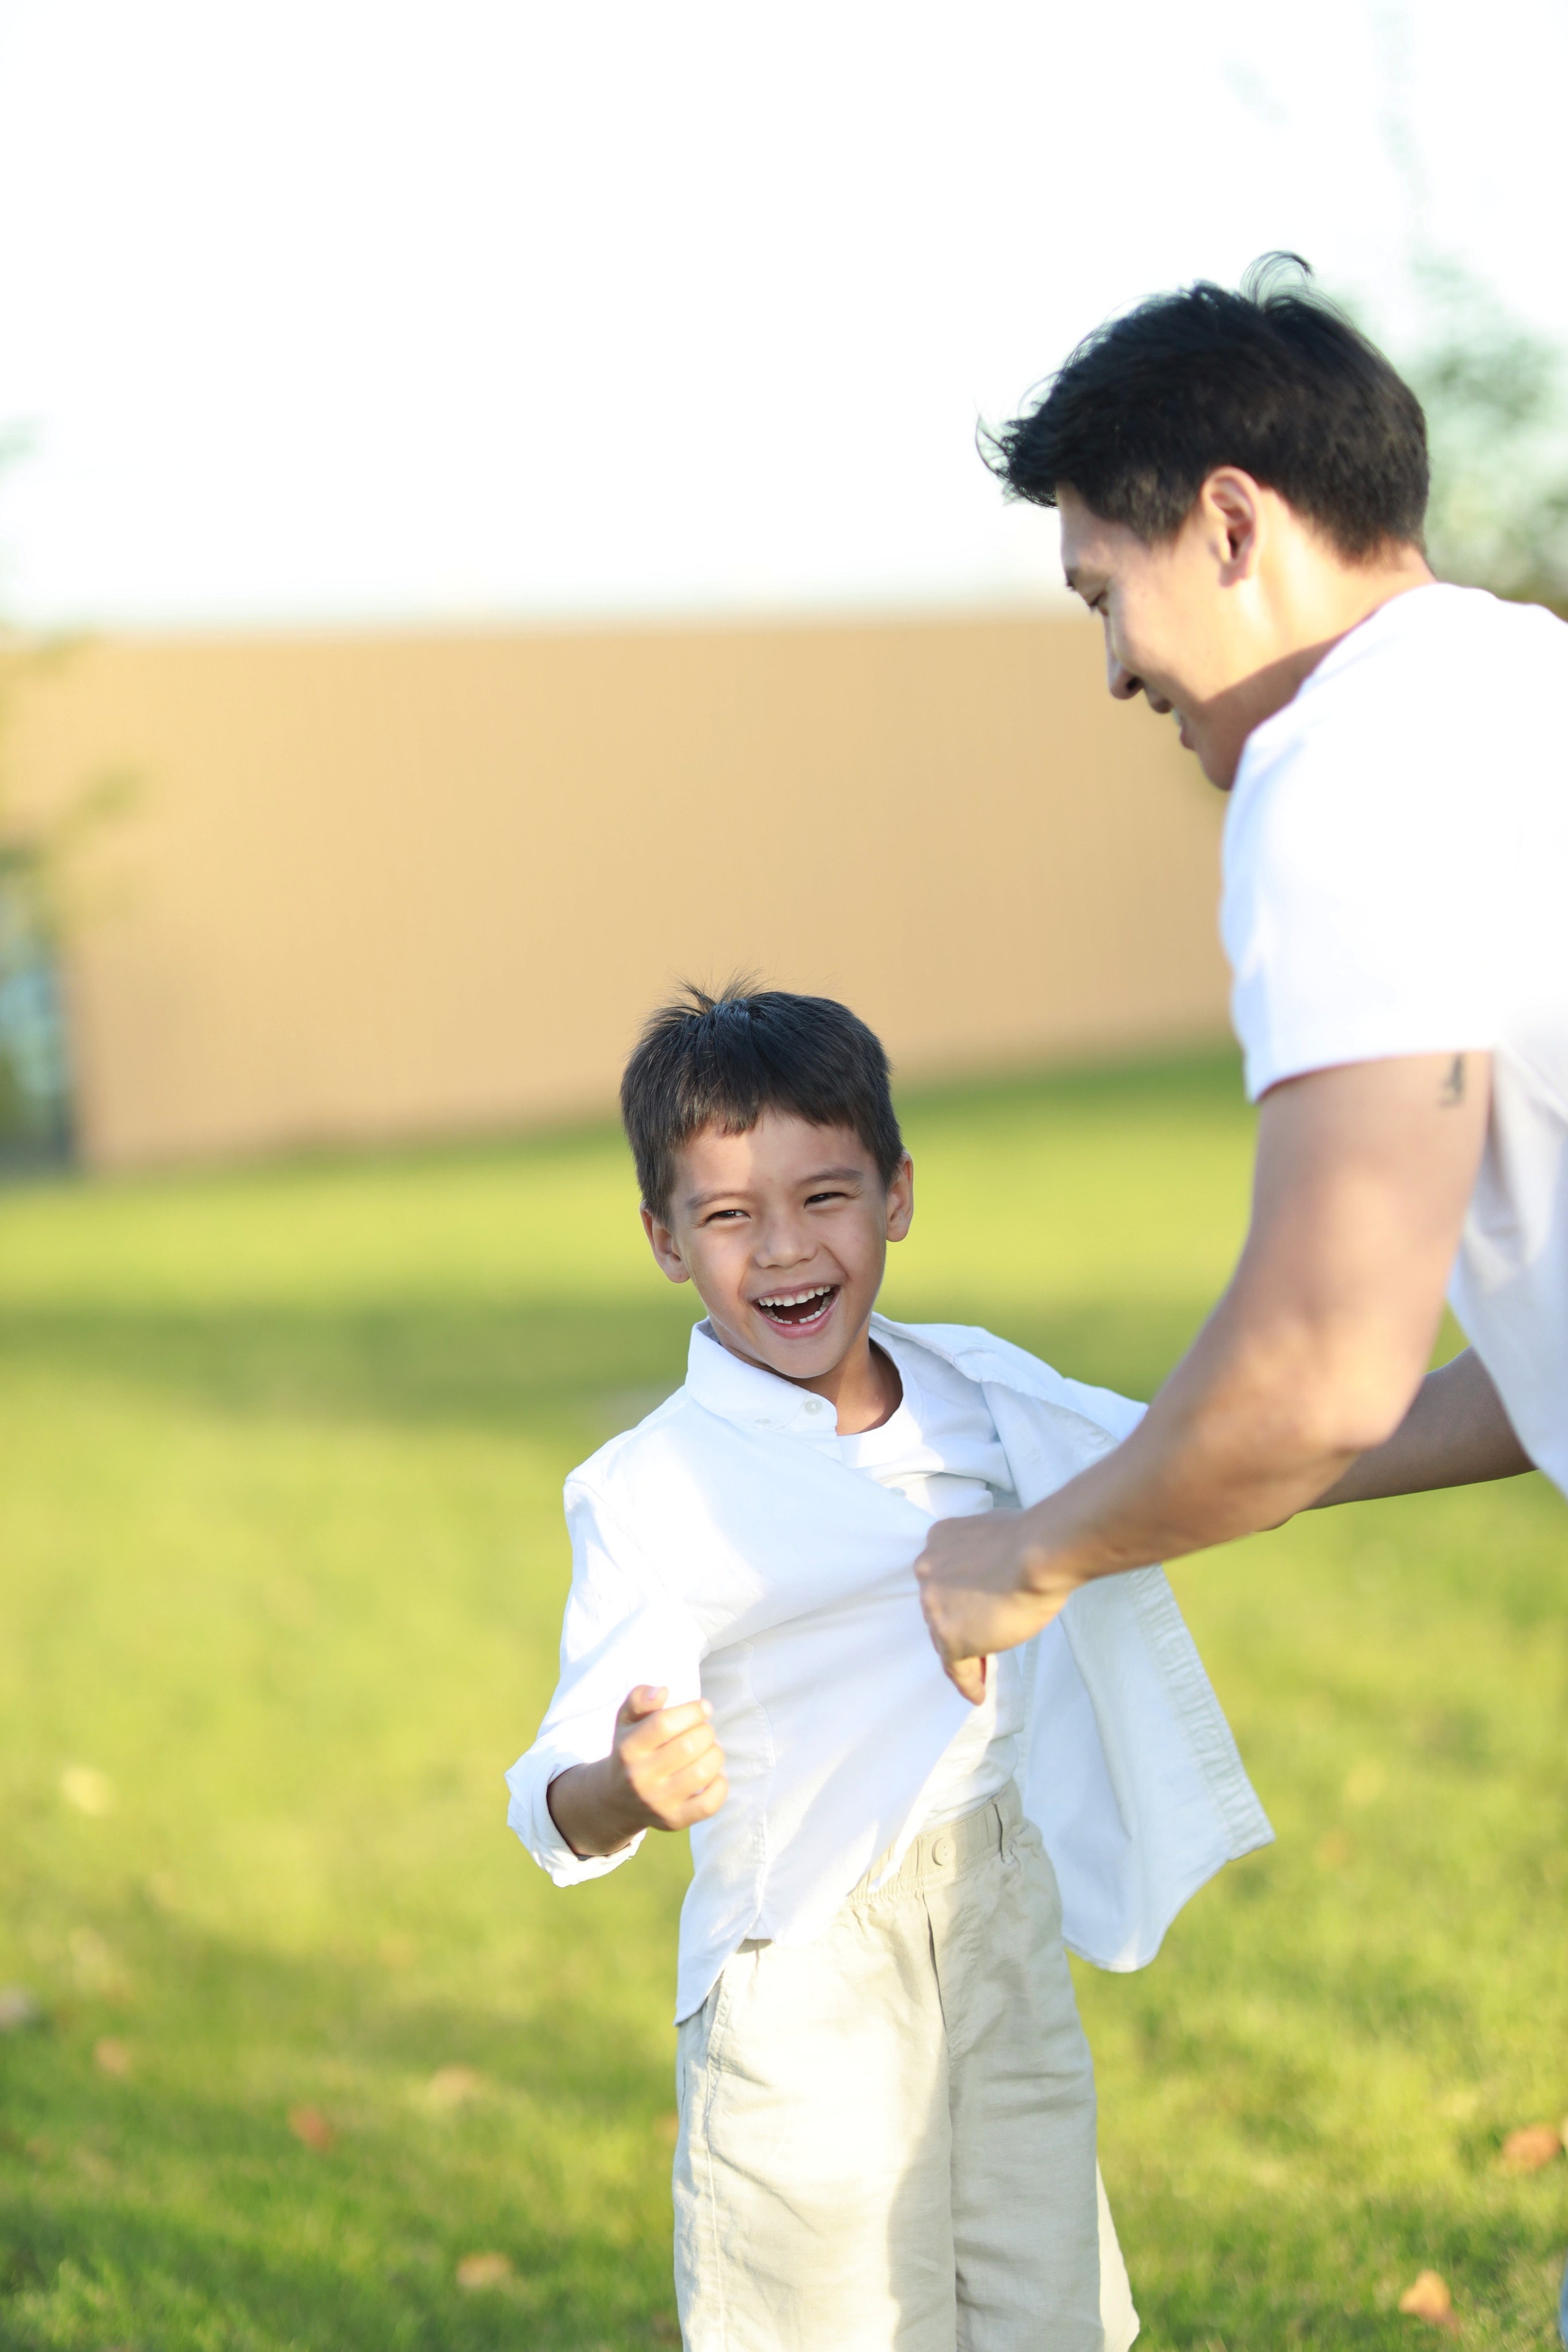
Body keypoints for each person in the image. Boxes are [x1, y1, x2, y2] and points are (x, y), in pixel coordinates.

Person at [913, 260, 1568, 2341]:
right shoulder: (1519, 691)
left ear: (1231, 521)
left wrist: (1035, 1549)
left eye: (1104, 591)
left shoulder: (1344, 773)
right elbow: (1495, 1364)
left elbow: (1316, 1354)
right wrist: (1178, 1475)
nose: (1117, 671)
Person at [507, 984, 1271, 2352]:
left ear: (898, 1196)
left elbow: (1197, 1467)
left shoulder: (980, 1395)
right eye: (729, 1215)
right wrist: (625, 1785)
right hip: (805, 1973)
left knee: (1043, 2312)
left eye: (826, 1197)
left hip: (993, 1918)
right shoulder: (654, 1489)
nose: (786, 1249)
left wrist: (1498, 1403)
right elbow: (546, 1798)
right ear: (664, 1241)